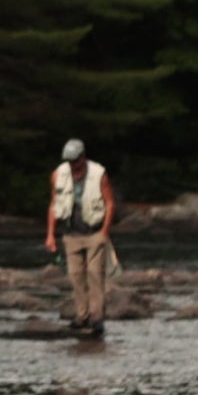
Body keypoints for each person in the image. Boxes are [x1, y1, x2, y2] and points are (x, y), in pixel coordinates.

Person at [46, 136, 116, 338]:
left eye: (75, 160)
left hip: (94, 233)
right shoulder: (58, 175)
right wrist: (50, 235)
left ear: (83, 157)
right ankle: (81, 316)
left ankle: (97, 318)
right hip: (71, 234)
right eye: (69, 161)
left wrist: (104, 232)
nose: (72, 165)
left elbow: (110, 203)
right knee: (76, 276)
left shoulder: (99, 174)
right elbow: (53, 205)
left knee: (95, 275)